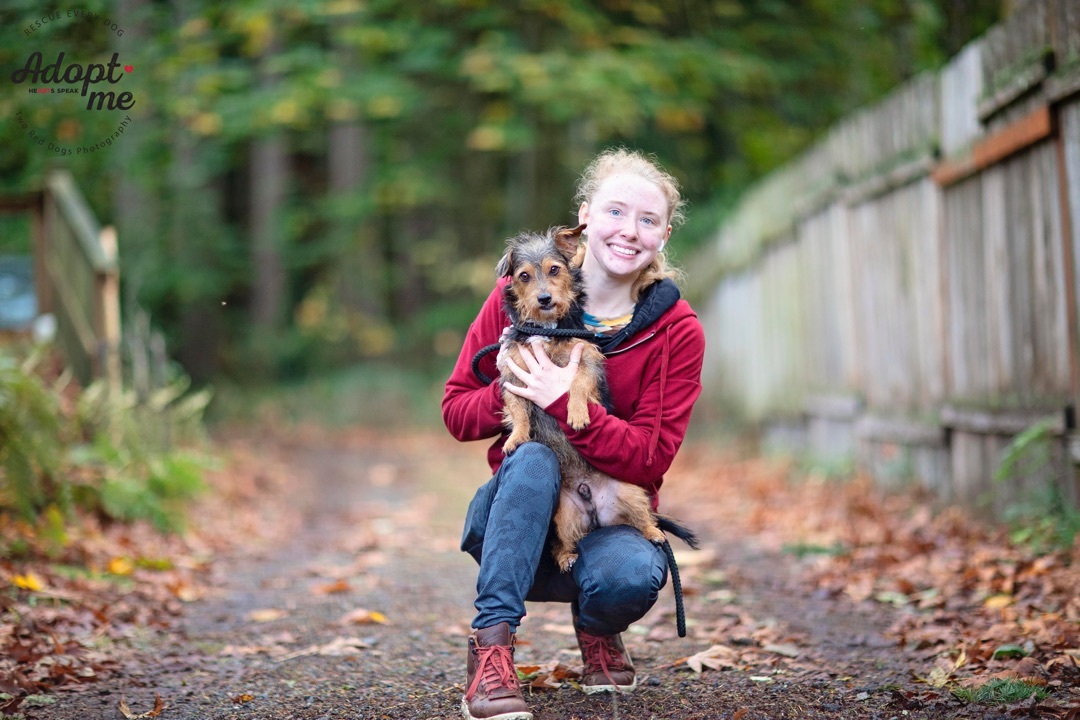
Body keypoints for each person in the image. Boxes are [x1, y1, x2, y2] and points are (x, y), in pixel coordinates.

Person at [442, 148, 706, 720]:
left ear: (663, 235)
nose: (629, 231)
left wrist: (564, 400)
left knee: (631, 576)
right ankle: (492, 651)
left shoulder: (675, 330)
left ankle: (598, 627)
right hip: (515, 520)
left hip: (606, 509)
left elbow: (649, 459)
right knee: (534, 460)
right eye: (616, 212)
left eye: (647, 220)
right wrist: (514, 386)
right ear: (584, 219)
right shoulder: (519, 294)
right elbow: (455, 410)